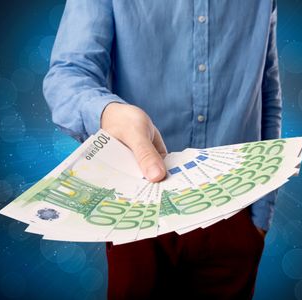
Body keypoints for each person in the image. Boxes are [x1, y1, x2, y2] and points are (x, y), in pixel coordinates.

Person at [43, 0, 281, 298]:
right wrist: (107, 112)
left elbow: (267, 91)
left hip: (234, 218)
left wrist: (261, 215)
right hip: (138, 217)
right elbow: (68, 74)